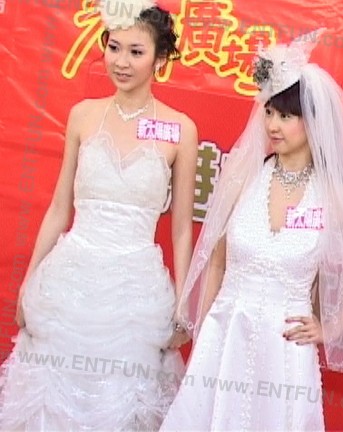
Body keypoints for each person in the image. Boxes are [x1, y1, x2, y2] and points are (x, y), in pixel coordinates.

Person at [160, 29, 343, 431]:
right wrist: (204, 331)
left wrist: (331, 327)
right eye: (270, 112)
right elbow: (217, 263)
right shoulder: (243, 177)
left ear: (314, 122)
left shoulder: (337, 198)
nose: (274, 125)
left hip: (286, 352)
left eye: (287, 116)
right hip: (225, 336)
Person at [0, 0, 198, 429]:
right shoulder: (83, 115)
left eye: (136, 51)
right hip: (69, 282)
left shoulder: (181, 130)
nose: (121, 62)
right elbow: (59, 207)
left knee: (119, 404)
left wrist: (184, 304)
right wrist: (30, 281)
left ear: (160, 59)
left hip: (135, 293)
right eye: (114, 48)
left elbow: (182, 229)